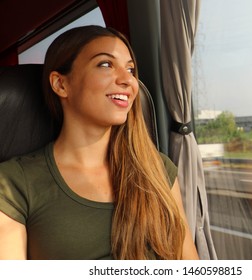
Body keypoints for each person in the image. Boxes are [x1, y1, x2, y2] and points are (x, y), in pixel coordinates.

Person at [0, 25, 199, 260]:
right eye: (105, 64)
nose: (128, 80)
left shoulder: (157, 168)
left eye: (131, 69)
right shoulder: (14, 182)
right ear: (61, 85)